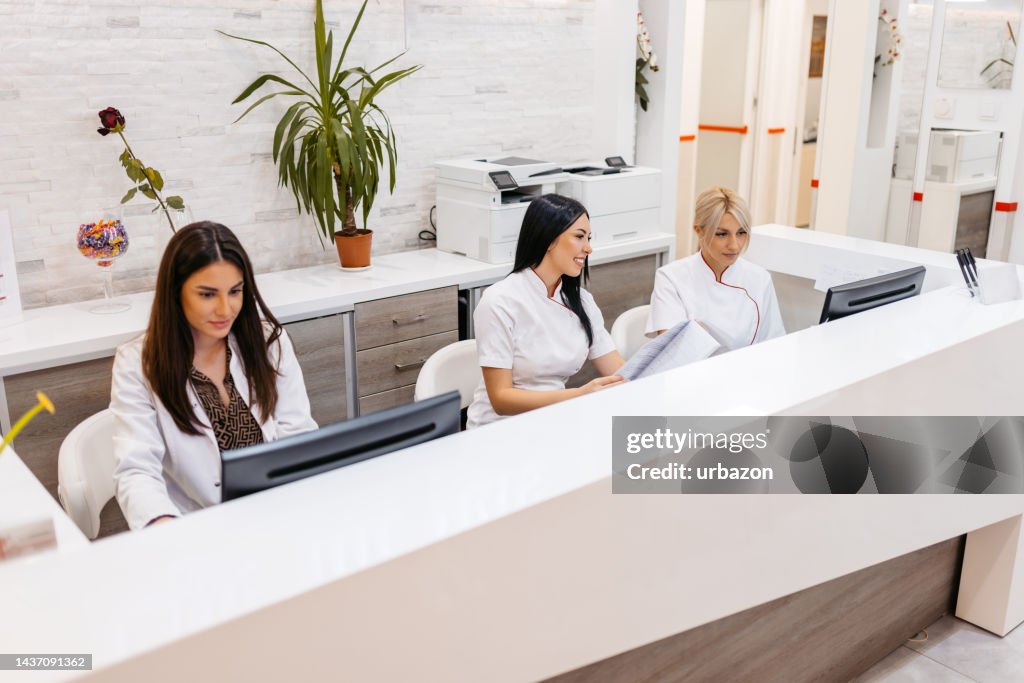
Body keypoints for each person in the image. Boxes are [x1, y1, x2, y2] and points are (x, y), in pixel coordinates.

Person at [110, 221, 317, 530]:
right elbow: (136, 470)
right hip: (197, 530)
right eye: (207, 295)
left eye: (235, 291)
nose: (225, 309)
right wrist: (164, 527)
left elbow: (297, 437)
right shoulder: (138, 365)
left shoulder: (267, 342)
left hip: (278, 516)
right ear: (176, 292)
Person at [467, 194, 626, 429]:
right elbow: (501, 399)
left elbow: (620, 372)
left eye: (589, 238)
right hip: (499, 430)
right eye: (579, 237)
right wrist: (579, 395)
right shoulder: (500, 301)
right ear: (549, 239)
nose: (588, 248)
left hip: (554, 421)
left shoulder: (582, 302)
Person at [646, 186, 785, 349]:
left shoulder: (759, 278)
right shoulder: (671, 278)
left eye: (741, 233)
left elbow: (774, 345)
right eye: (722, 234)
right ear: (699, 231)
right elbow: (672, 352)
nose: (734, 246)